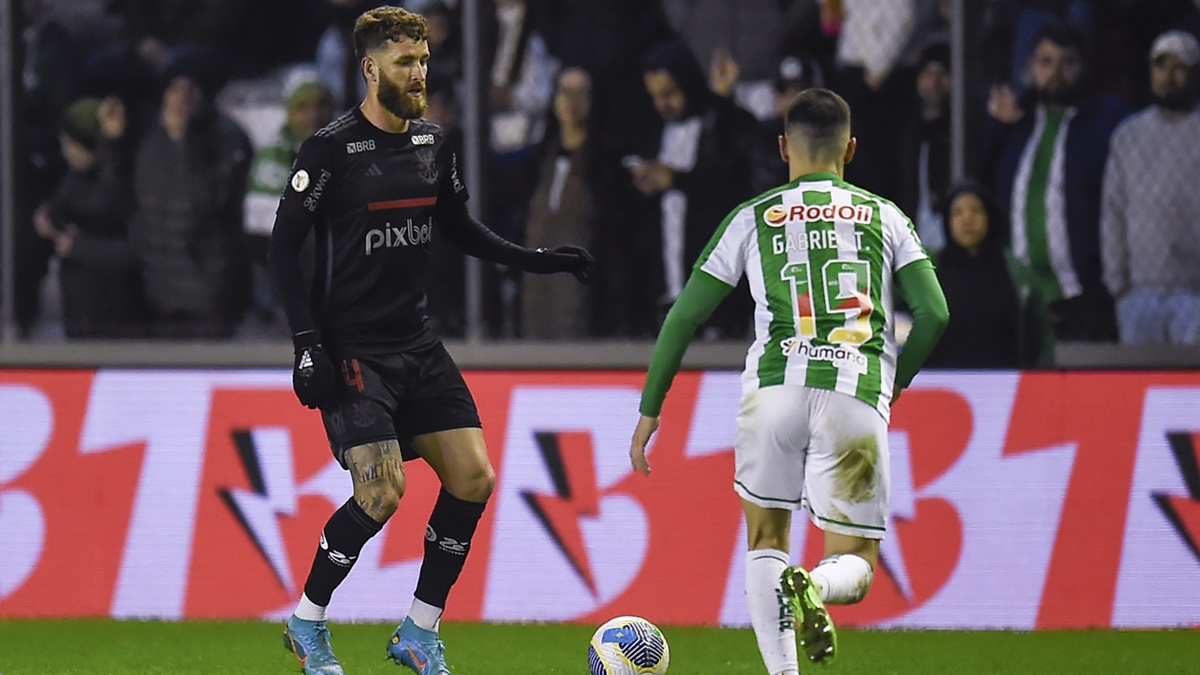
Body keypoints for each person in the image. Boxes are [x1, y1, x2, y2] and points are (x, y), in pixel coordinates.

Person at [267, 7, 594, 675]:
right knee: (381, 493)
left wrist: (537, 259)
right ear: (369, 68)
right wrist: (306, 343)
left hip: (417, 342)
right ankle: (307, 620)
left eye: (422, 61)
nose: (418, 73)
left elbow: (461, 228)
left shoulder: (431, 145)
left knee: (474, 478)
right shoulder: (330, 150)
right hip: (353, 350)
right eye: (403, 62)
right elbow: (281, 247)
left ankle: (418, 631)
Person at [628, 88, 948, 675]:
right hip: (855, 391)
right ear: (850, 149)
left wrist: (652, 407)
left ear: (782, 148)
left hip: (773, 391)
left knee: (765, 539)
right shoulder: (885, 216)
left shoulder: (751, 217)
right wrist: (894, 382)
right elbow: (935, 313)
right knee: (856, 563)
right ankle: (816, 586)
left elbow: (684, 316)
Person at [985, 22, 1130, 364]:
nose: (1056, 73)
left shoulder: (1108, 121)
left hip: (1083, 294)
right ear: (1030, 68)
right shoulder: (1016, 122)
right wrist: (998, 128)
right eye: (1046, 62)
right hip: (1019, 295)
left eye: (1067, 63)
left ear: (1083, 68)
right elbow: (981, 183)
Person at [128, 51, 253, 338]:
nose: (182, 99)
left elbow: (206, 201)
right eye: (175, 90)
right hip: (158, 290)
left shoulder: (227, 138)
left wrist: (184, 143)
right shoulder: (150, 139)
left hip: (208, 291)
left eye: (190, 90)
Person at [1101, 30, 1200, 345]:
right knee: (1139, 382)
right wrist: (1118, 284)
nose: (1168, 77)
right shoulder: (1127, 136)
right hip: (1138, 294)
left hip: (1194, 293)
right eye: (1160, 67)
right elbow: (1112, 211)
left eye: (1178, 68)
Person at [32, 96, 145, 338]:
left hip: (115, 313)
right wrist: (48, 218)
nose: (65, 149)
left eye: (70, 142)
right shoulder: (77, 174)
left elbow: (135, 249)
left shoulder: (124, 179)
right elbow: (65, 205)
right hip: (81, 309)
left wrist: (78, 247)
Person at [926, 182, 1025, 368]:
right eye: (957, 213)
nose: (967, 219)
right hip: (940, 386)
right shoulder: (929, 272)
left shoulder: (1015, 273)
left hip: (1007, 385)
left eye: (976, 210)